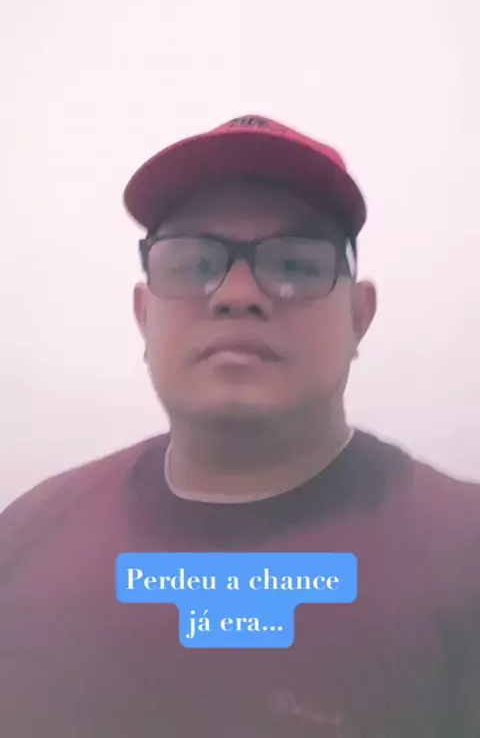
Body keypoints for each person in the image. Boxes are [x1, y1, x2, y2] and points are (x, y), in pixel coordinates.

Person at [0, 114, 479, 738]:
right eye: (192, 262)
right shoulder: (21, 536)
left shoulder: (465, 556)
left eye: (297, 265)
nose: (237, 294)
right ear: (144, 315)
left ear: (359, 317)